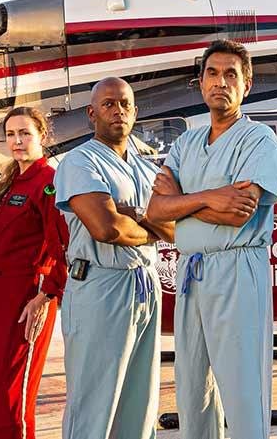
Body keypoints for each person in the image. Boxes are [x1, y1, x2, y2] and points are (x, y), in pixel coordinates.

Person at [145, 40, 277, 439]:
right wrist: (207, 197)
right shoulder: (187, 142)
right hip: (192, 272)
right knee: (193, 389)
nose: (220, 82)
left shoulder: (258, 140)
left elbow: (238, 213)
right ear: (200, 82)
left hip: (237, 268)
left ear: (247, 84)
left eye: (230, 75)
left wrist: (179, 202)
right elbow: (155, 211)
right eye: (212, 73)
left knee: (242, 387)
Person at [54, 77, 176, 439]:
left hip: (144, 284)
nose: (118, 110)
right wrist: (150, 221)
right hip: (100, 285)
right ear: (91, 114)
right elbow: (105, 228)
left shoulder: (148, 168)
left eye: (124, 104)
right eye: (108, 104)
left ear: (135, 112)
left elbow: (176, 230)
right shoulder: (80, 162)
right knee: (95, 403)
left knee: (140, 403)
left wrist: (135, 215)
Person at [0, 106, 68, 439]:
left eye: (25, 133)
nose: (17, 141)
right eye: (11, 134)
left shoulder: (48, 183)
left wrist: (45, 297)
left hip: (28, 304)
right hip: (0, 304)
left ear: (42, 135)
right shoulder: (13, 182)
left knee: (14, 397)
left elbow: (61, 249)